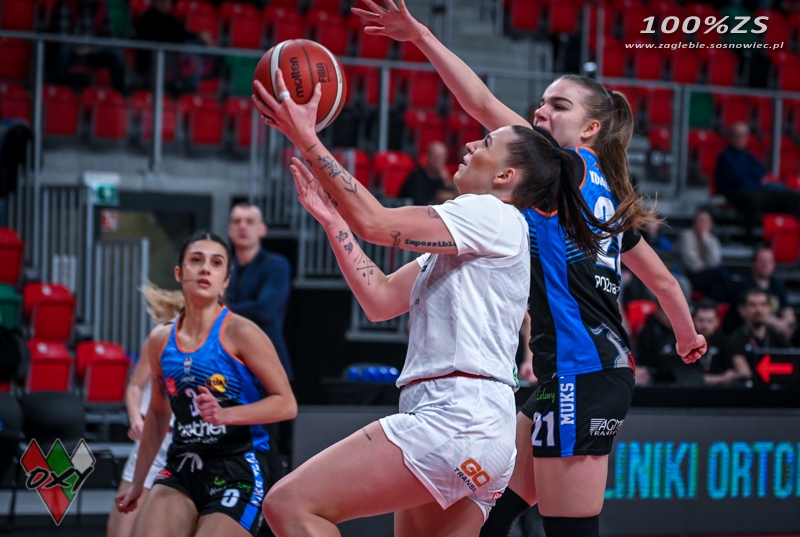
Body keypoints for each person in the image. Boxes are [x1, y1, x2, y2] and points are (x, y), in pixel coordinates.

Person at [348, 3, 707, 537]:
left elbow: (480, 102)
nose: (540, 113)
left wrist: (422, 36)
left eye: (557, 106)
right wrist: (687, 337)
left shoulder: (563, 169)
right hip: (572, 374)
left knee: (567, 530)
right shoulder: (602, 196)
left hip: (583, 374)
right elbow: (663, 281)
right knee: (486, 515)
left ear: (590, 129)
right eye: (541, 102)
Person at [251, 56, 633, 535]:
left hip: (454, 415)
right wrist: (332, 221)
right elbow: (380, 298)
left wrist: (306, 138)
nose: (471, 144)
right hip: (479, 428)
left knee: (289, 505)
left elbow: (376, 222)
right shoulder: (476, 236)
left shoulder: (490, 214)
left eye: (486, 143)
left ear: (505, 177)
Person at [115, 232, 297, 537]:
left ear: (225, 281)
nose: (205, 269)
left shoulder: (242, 332)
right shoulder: (161, 340)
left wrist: (226, 415)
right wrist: (138, 482)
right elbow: (158, 414)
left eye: (216, 263)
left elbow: (286, 404)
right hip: (184, 466)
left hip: (238, 465)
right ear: (179, 272)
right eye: (196, 260)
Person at [107, 283, 184, 537]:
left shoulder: (222, 343)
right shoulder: (161, 338)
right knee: (121, 529)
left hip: (191, 448)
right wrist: (135, 418)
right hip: (155, 441)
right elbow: (135, 387)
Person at [226, 202, 293, 380]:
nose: (242, 226)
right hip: (230, 360)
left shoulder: (276, 265)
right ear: (229, 229)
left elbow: (264, 309)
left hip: (266, 361)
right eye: (237, 221)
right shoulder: (224, 267)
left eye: (250, 221)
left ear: (262, 229)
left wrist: (220, 309)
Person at [714, 122, 800, 244]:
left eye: (744, 135)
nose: (741, 138)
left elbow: (760, 173)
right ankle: (749, 239)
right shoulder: (725, 156)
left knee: (791, 197)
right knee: (753, 198)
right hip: (735, 192)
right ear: (731, 137)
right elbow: (735, 178)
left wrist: (752, 179)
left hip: (756, 190)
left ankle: (784, 235)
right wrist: (752, 180)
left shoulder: (748, 155)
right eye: (738, 135)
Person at [133, 0, 212, 92]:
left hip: (171, 57)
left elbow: (182, 34)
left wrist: (199, 36)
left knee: (195, 47)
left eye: (168, 2)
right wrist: (197, 37)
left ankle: (198, 83)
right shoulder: (148, 18)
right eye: (163, 1)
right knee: (192, 53)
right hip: (154, 61)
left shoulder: (170, 18)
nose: (166, 4)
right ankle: (190, 90)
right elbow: (169, 37)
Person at [48, 0, 125, 92]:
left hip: (93, 53)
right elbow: (61, 36)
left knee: (116, 54)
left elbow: (109, 39)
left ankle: (119, 94)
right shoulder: (66, 4)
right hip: (72, 51)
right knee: (63, 49)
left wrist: (92, 49)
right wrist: (77, 47)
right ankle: (59, 90)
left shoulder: (102, 7)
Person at [723, 288, 794, 386]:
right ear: (743, 310)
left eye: (763, 304)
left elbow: (794, 362)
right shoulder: (735, 340)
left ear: (769, 308)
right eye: (753, 305)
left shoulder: (778, 337)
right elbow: (745, 374)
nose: (758, 310)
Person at [723, 247, 795, 337]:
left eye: (769, 261)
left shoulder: (777, 284)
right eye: (762, 261)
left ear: (774, 264)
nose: (766, 265)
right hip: (747, 334)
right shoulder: (742, 286)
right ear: (753, 264)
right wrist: (780, 326)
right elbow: (752, 315)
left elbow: (788, 310)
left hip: (774, 332)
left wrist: (785, 323)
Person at [678, 209, 731, 303]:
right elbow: (692, 264)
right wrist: (707, 266)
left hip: (709, 276)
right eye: (700, 220)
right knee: (720, 273)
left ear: (711, 224)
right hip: (690, 276)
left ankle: (715, 306)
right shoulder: (687, 236)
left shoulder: (712, 239)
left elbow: (715, 261)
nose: (702, 224)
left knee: (716, 283)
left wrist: (705, 240)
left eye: (706, 221)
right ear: (695, 222)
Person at [691, 300, 740, 386]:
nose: (705, 326)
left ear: (717, 322)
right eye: (701, 320)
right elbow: (688, 377)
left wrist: (729, 375)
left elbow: (729, 370)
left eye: (710, 321)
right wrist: (721, 378)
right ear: (692, 320)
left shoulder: (723, 341)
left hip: (718, 390)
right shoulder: (685, 342)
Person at [398, 140, 450, 205]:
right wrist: (436, 200)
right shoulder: (416, 177)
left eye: (441, 157)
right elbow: (418, 203)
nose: (438, 161)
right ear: (427, 157)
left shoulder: (441, 178)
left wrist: (446, 181)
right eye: (435, 157)